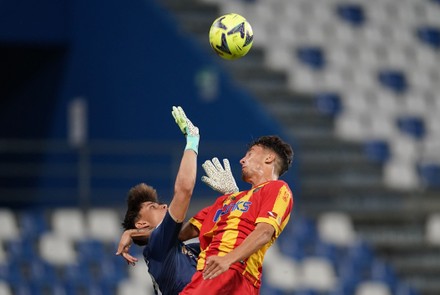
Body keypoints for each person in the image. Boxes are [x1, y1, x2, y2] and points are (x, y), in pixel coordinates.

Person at [116, 106, 239, 295]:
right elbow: (184, 190)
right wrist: (192, 139)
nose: (163, 205)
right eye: (153, 207)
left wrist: (234, 197)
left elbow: (230, 240)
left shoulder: (182, 251)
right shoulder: (157, 247)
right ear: (142, 223)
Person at [178, 135, 294, 295]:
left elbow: (265, 232)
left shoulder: (277, 188)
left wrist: (228, 259)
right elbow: (180, 233)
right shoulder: (229, 199)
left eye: (250, 154)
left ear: (269, 158)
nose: (242, 160)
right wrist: (135, 232)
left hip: (234, 272)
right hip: (208, 273)